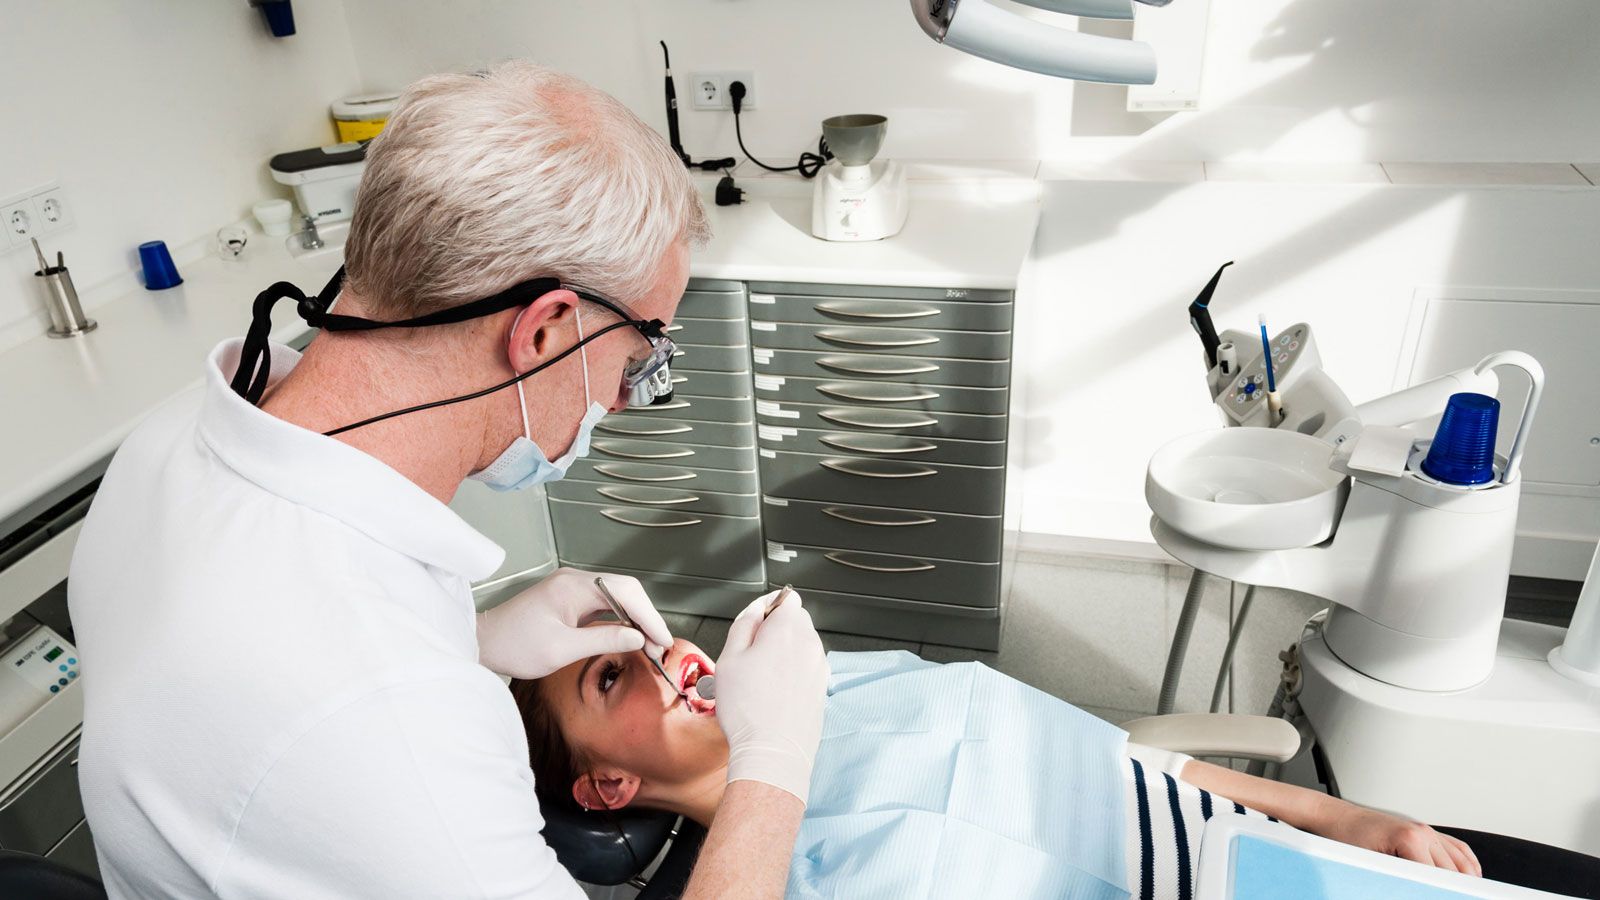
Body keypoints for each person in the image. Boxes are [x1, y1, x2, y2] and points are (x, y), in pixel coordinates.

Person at [68, 62, 828, 899]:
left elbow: (234, 690)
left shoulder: (173, 435)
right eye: (639, 361)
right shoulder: (395, 726)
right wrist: (775, 765)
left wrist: (469, 640)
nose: (623, 399)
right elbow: (331, 693)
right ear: (545, 331)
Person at [515, 634, 1600, 900]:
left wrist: (1341, 816)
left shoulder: (825, 678)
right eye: (611, 681)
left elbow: (1125, 768)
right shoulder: (787, 876)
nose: (663, 663)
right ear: (607, 788)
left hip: (1310, 860)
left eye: (635, 638)